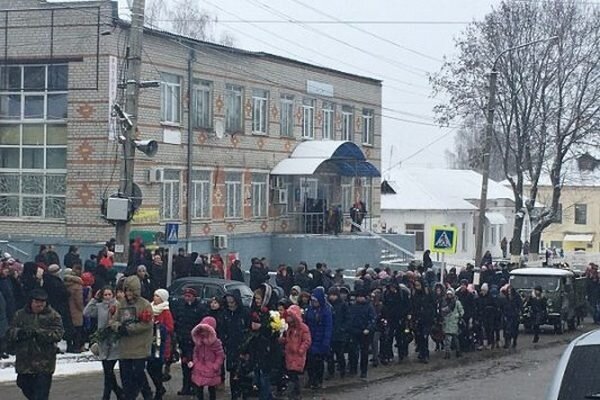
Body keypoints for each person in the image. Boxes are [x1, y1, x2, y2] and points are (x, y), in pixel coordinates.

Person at [8, 288, 64, 400]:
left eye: (42, 302)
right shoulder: (20, 314)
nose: (40, 305)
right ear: (31, 302)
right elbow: (10, 332)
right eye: (37, 302)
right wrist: (20, 333)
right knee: (23, 384)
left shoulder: (53, 316)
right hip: (25, 361)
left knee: (41, 394)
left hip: (44, 362)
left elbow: (58, 334)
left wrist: (39, 333)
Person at [110, 276, 154, 400]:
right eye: (126, 290)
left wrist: (130, 328)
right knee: (125, 376)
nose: (128, 293)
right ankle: (129, 396)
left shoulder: (144, 304)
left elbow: (147, 324)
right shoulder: (121, 304)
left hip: (140, 347)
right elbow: (113, 320)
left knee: (138, 373)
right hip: (125, 347)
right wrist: (118, 327)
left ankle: (147, 394)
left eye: (130, 290)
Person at [83, 286, 123, 400]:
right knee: (108, 371)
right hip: (103, 341)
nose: (107, 297)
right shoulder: (100, 306)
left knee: (108, 370)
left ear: (113, 295)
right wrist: (94, 299)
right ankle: (119, 393)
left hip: (114, 341)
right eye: (105, 295)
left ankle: (106, 396)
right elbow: (87, 312)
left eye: (109, 294)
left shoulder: (118, 305)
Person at [172, 287, 207, 396]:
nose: (187, 298)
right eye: (185, 296)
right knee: (185, 364)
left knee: (195, 365)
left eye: (189, 296)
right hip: (183, 340)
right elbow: (178, 321)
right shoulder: (181, 307)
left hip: (195, 341)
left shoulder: (200, 308)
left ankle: (195, 386)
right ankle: (186, 386)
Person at [222, 290, 250, 400]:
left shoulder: (245, 313)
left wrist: (247, 349)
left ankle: (245, 395)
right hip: (231, 347)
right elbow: (223, 329)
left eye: (232, 302)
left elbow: (249, 330)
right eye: (229, 303)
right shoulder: (226, 314)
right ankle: (234, 395)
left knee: (244, 373)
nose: (230, 305)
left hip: (244, 347)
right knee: (233, 372)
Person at [147, 288, 174, 400]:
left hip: (160, 343)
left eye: (157, 296)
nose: (155, 298)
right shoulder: (150, 308)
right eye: (154, 295)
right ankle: (159, 387)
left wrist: (158, 327)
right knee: (149, 367)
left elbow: (170, 327)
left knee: (156, 367)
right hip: (150, 342)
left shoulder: (165, 311)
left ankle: (159, 390)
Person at [189, 316, 225, 400]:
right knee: (199, 388)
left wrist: (215, 366)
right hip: (199, 367)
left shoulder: (216, 343)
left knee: (212, 388)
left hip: (211, 368)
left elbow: (220, 355)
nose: (203, 332)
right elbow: (195, 352)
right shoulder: (198, 341)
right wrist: (196, 362)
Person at [280, 305, 311, 400]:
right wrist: (283, 341)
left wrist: (301, 350)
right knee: (291, 373)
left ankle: (295, 393)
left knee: (294, 374)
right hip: (289, 354)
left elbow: (307, 341)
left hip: (298, 355)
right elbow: (287, 340)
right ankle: (295, 392)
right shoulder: (288, 328)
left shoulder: (303, 328)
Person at [305, 286, 333, 390]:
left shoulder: (326, 311)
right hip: (310, 339)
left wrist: (326, 342)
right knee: (310, 362)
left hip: (321, 340)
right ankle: (311, 379)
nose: (313, 302)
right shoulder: (310, 310)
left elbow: (328, 328)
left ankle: (318, 381)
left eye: (315, 300)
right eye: (312, 300)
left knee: (319, 362)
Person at [347, 289, 376, 379]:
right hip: (354, 331)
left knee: (364, 352)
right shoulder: (353, 306)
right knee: (353, 351)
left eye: (361, 297)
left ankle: (363, 371)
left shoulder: (369, 307)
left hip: (365, 332)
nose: (359, 298)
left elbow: (372, 319)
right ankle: (353, 368)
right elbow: (350, 318)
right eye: (358, 297)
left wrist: (368, 328)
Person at [64, 266, 89, 353]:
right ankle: (76, 346)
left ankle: (69, 345)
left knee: (69, 329)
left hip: (68, 309)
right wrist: (82, 309)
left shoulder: (65, 284)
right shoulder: (77, 286)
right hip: (76, 310)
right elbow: (79, 300)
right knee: (78, 329)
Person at [326, 286, 348, 379]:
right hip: (330, 333)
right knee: (329, 355)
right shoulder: (327, 305)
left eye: (334, 295)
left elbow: (347, 318)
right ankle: (330, 372)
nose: (332, 297)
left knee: (340, 354)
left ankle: (342, 371)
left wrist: (343, 328)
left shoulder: (343, 305)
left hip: (339, 334)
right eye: (331, 295)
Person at [412, 280, 435, 363]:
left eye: (418, 285)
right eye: (416, 285)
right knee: (419, 337)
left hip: (426, 319)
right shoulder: (415, 295)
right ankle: (421, 353)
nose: (417, 287)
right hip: (418, 319)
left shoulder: (427, 294)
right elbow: (413, 306)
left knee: (425, 337)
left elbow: (433, 305)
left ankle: (425, 354)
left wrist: (431, 315)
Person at [441, 288, 464, 359]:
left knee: (455, 338)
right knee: (448, 339)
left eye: (450, 294)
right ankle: (448, 353)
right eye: (448, 294)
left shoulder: (457, 302)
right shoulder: (444, 302)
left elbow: (461, 311)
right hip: (447, 322)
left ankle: (457, 351)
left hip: (454, 322)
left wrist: (458, 316)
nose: (449, 296)